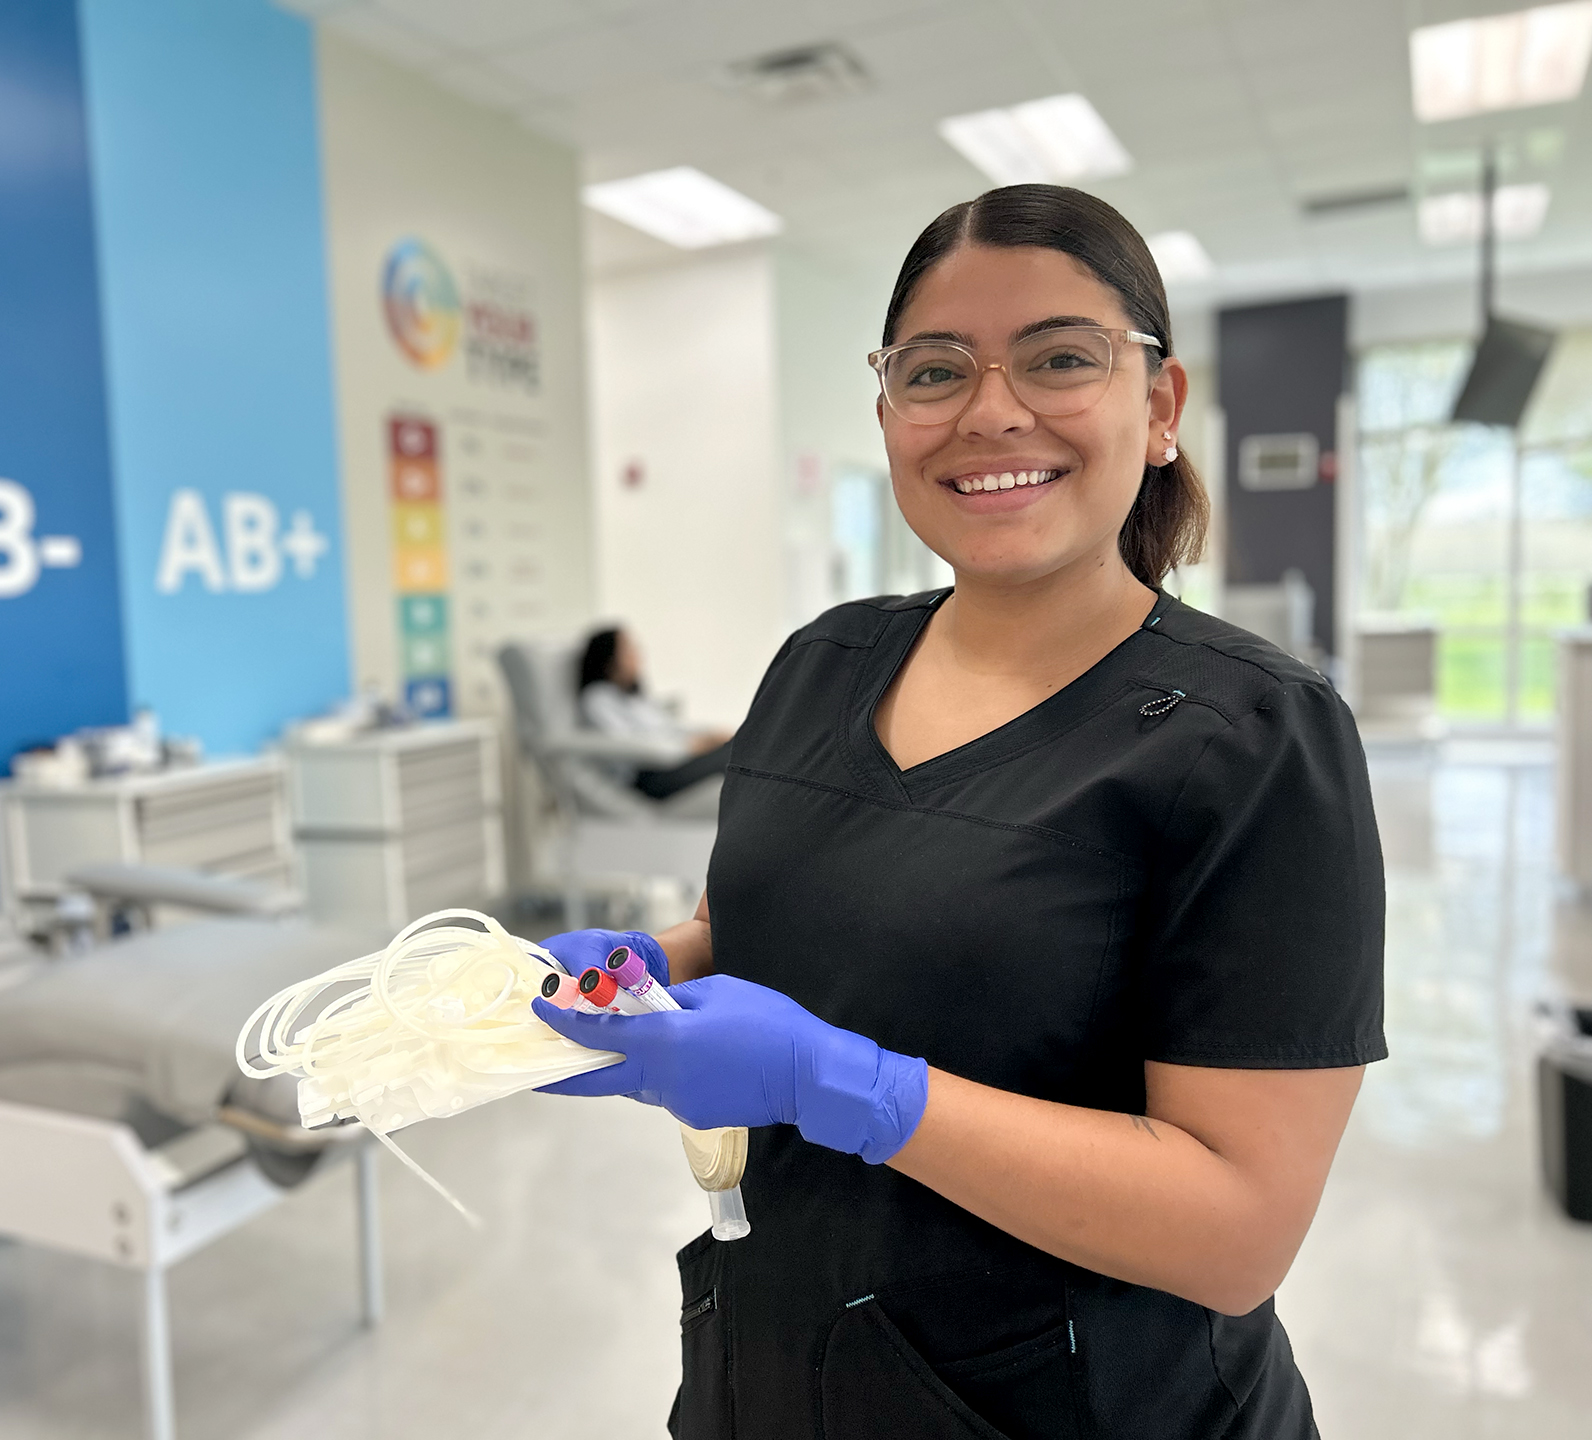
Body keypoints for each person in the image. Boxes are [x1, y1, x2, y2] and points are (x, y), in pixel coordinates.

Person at [533, 184, 1384, 1440]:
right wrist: (650, 968)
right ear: (887, 412)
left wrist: (856, 1089)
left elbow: (1235, 1233)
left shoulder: (1253, 738)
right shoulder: (821, 662)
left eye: (1059, 358)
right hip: (775, 1367)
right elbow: (755, 912)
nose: (992, 411)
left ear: (1157, 408)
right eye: (935, 370)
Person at [575, 625, 731, 801]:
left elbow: (671, 727)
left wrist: (709, 736)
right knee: (739, 755)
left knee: (739, 744)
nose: (637, 655)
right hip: (650, 776)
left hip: (675, 762)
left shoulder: (634, 697)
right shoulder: (598, 698)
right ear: (609, 658)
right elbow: (626, 745)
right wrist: (689, 746)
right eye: (628, 649)